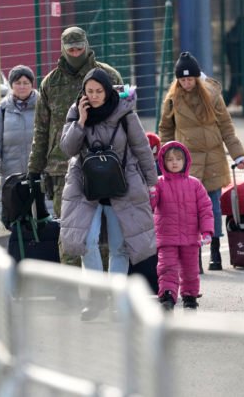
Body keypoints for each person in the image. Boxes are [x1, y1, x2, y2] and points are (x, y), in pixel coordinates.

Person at [59, 68, 157, 321]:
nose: (93, 96)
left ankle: (116, 301)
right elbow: (67, 149)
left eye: (98, 91)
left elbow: (142, 148)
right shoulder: (75, 111)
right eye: (89, 91)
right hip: (86, 187)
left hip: (121, 187)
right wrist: (80, 121)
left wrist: (152, 182)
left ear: (108, 90)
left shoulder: (125, 113)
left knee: (119, 247)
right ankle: (96, 297)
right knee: (86, 242)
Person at [27, 26, 122, 266]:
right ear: (63, 49)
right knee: (70, 232)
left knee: (100, 233)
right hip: (62, 169)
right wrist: (34, 169)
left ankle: (101, 289)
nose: (76, 53)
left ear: (87, 46)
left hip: (104, 167)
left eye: (80, 48)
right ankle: (72, 289)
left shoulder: (108, 77)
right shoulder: (51, 83)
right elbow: (41, 129)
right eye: (71, 49)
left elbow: (125, 121)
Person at [158, 51, 244, 272]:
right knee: (188, 210)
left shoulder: (212, 95)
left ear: (197, 77)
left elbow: (226, 126)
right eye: (183, 79)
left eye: (190, 79)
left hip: (213, 158)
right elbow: (166, 130)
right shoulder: (172, 100)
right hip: (186, 161)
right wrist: (165, 159)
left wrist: (239, 155)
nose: (187, 83)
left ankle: (215, 250)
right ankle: (193, 255)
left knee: (213, 207)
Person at [151, 141, 213, 312]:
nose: (175, 162)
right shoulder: (158, 183)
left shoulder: (194, 184)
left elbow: (205, 209)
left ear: (186, 160)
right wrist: (150, 193)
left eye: (178, 159)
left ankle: (190, 296)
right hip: (167, 237)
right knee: (166, 268)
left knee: (190, 270)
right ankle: (167, 296)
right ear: (163, 162)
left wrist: (207, 230)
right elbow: (150, 205)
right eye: (170, 160)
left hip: (190, 237)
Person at [0, 65, 38, 220]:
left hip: (39, 175)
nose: (22, 86)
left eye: (26, 82)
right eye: (18, 82)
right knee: (14, 221)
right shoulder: (3, 110)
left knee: (41, 220)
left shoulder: (42, 106)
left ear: (32, 84)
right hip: (11, 177)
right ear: (11, 84)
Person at [224, 16, 244, 112]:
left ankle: (222, 106)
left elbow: (226, 52)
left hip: (235, 66)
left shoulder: (230, 35)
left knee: (233, 88)